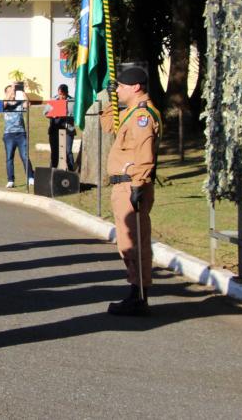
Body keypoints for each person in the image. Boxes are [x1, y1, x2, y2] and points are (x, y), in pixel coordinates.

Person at [102, 67, 160, 316]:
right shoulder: (131, 113)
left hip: (131, 184)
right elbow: (108, 126)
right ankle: (136, 290)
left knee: (134, 242)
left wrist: (138, 185)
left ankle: (139, 294)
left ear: (136, 87)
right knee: (127, 242)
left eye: (122, 87)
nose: (119, 90)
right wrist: (109, 101)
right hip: (123, 184)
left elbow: (144, 154)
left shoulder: (142, 117)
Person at [2, 84, 34, 188]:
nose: (13, 93)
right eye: (10, 91)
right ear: (6, 93)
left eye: (14, 91)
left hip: (21, 134)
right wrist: (12, 86)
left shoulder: (19, 103)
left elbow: (28, 105)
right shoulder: (4, 103)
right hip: (9, 134)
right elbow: (4, 103)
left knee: (25, 156)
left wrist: (23, 91)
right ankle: (11, 180)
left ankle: (30, 177)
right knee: (9, 158)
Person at [45, 83, 76, 170]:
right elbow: (45, 113)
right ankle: (52, 172)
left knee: (68, 151)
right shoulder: (54, 100)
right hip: (54, 129)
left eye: (63, 95)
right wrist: (53, 114)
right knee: (55, 152)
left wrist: (67, 114)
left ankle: (72, 173)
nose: (61, 97)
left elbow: (77, 114)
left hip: (67, 129)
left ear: (67, 93)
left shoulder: (72, 101)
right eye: (60, 94)